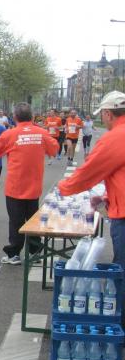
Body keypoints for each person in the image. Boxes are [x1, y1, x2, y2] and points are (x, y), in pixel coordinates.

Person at [58, 91, 125, 300]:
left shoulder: (116, 137)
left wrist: (63, 188)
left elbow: (88, 172)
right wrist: (107, 197)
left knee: (122, 270)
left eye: (102, 114)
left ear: (107, 113)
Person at [0, 102, 59, 265]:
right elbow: (54, 149)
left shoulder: (10, 134)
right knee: (33, 220)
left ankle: (14, 253)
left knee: (15, 221)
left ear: (15, 117)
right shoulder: (42, 133)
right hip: (34, 186)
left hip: (15, 186)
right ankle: (35, 252)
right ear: (32, 117)